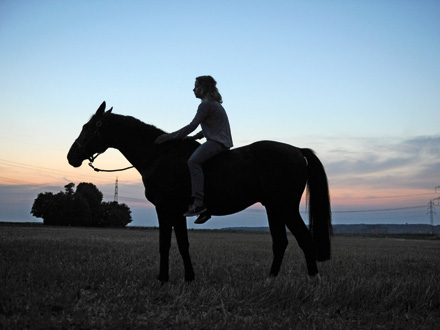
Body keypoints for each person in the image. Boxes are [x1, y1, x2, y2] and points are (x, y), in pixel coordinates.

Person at [155, 76, 233, 223]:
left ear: (203, 87)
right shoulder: (215, 104)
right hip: (220, 141)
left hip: (217, 143)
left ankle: (198, 203)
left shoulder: (205, 105)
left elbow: (192, 125)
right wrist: (196, 137)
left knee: (193, 162)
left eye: (196, 86)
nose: (193, 89)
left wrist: (170, 137)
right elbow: (213, 127)